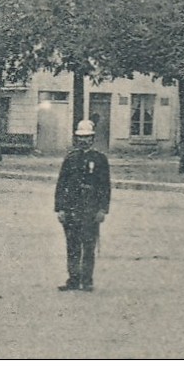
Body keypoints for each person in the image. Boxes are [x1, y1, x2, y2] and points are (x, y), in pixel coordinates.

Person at [53, 119, 110, 292]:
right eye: (80, 137)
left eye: (87, 137)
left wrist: (102, 209)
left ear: (93, 138)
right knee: (72, 245)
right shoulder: (70, 159)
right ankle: (73, 279)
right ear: (76, 139)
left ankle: (87, 280)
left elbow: (105, 186)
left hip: (90, 209)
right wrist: (60, 208)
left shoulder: (100, 159)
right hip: (71, 208)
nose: (84, 140)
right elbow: (61, 184)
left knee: (88, 246)